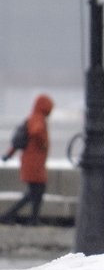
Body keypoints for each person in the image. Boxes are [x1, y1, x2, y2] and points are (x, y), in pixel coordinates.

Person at [1, 94, 53, 226]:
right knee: (35, 191)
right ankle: (12, 216)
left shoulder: (31, 118)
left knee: (35, 192)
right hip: (34, 163)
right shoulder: (38, 119)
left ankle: (32, 219)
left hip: (32, 162)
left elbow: (20, 141)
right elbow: (36, 132)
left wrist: (9, 154)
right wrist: (43, 144)